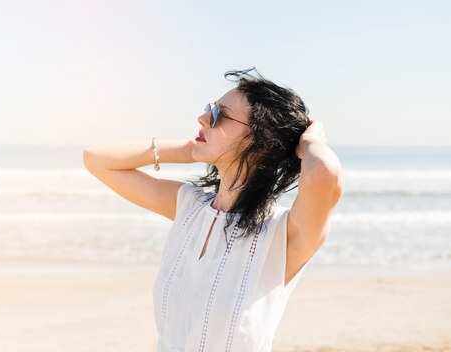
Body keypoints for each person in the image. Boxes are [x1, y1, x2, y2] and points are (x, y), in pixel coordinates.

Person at [82, 67, 344, 352]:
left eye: (219, 114)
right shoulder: (188, 207)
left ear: (261, 142)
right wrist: (188, 149)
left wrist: (310, 143)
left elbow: (324, 172)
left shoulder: (283, 236)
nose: (202, 119)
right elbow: (97, 159)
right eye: (210, 109)